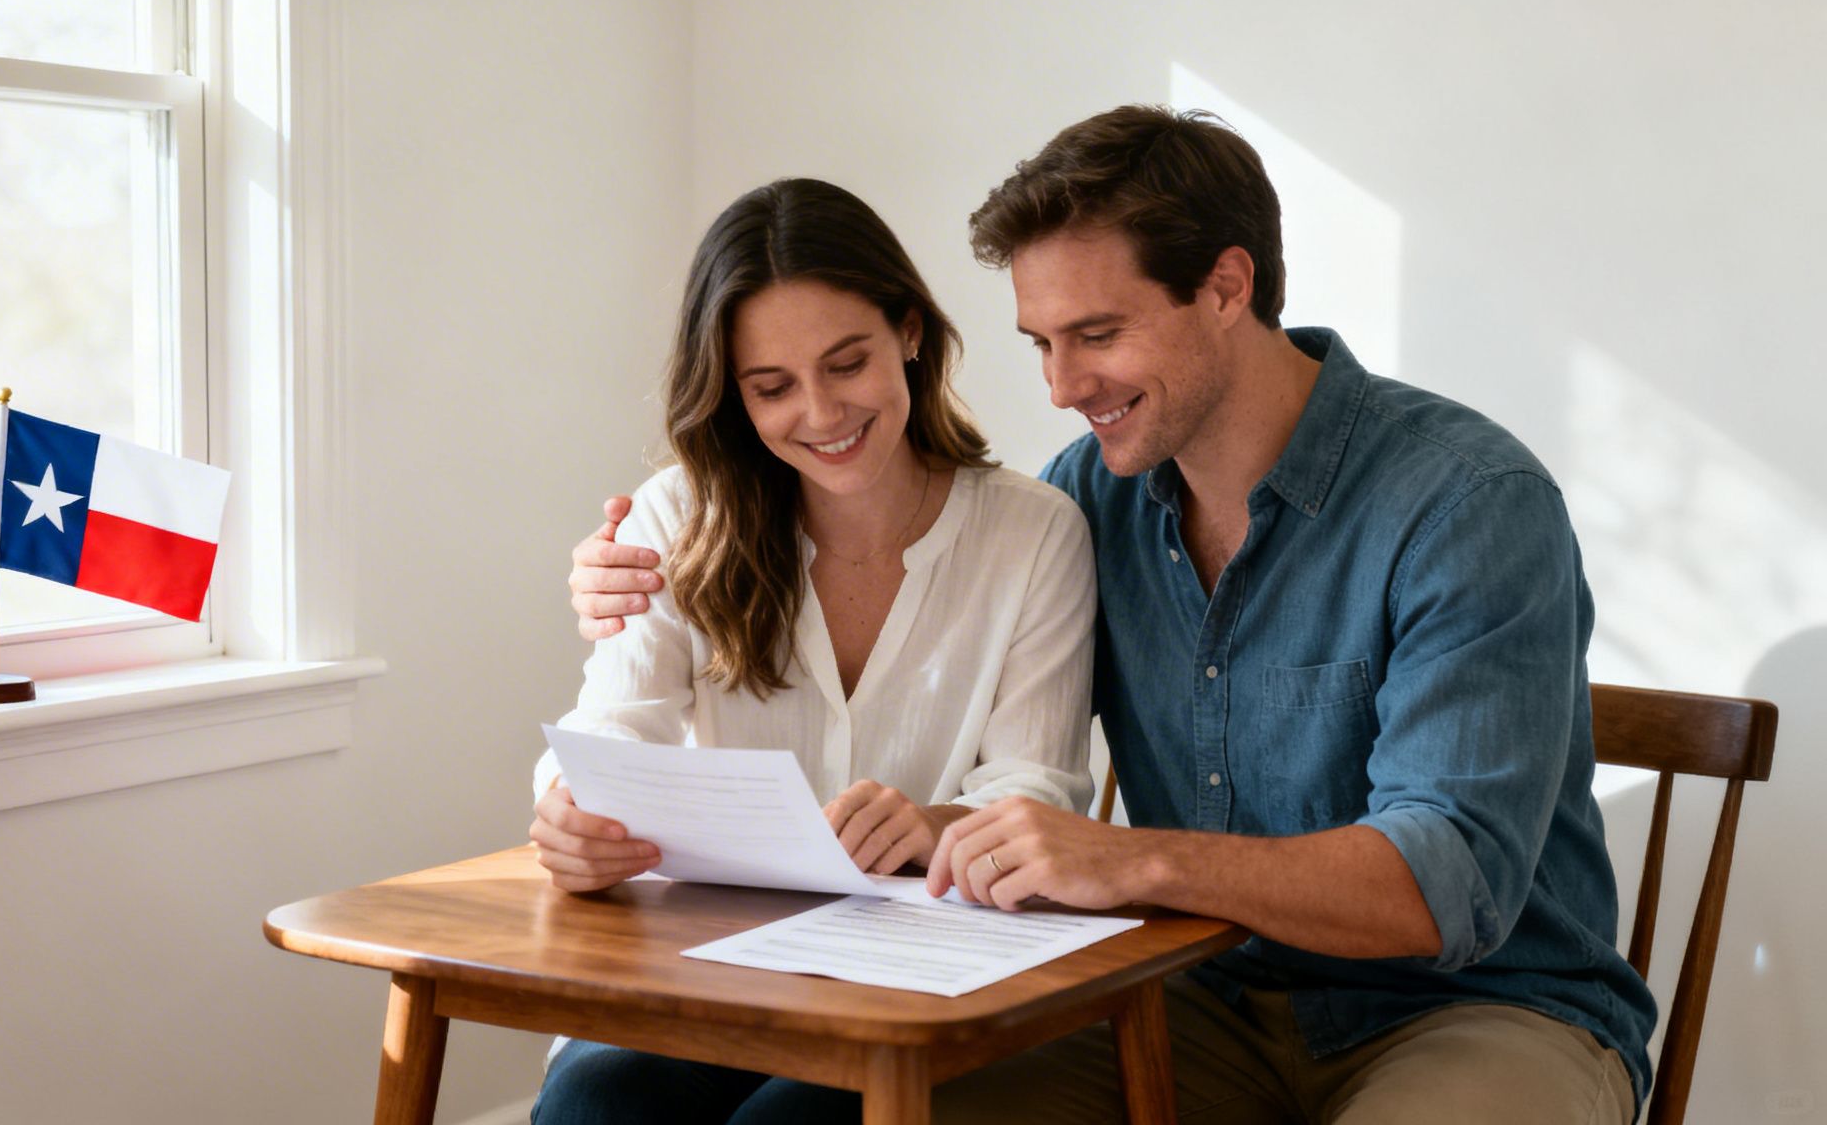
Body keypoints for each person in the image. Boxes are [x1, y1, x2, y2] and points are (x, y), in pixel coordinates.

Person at [568, 107, 1658, 1125]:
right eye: (1039, 341)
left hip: (1480, 1012)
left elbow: (1445, 884)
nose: (1058, 384)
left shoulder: (1465, 504)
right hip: (1195, 997)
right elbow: (996, 719)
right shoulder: (1088, 502)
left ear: (1225, 287)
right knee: (841, 1112)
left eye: (1093, 334)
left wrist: (1133, 862)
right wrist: (629, 584)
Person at [530, 177, 1097, 1125]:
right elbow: (607, 734)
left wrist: (935, 823)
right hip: (701, 966)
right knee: (596, 1101)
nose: (822, 413)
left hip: (916, 982)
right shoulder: (678, 515)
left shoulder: (1034, 533)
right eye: (772, 387)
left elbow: (1039, 789)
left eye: (847, 363)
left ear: (909, 331)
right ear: (732, 393)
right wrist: (570, 818)